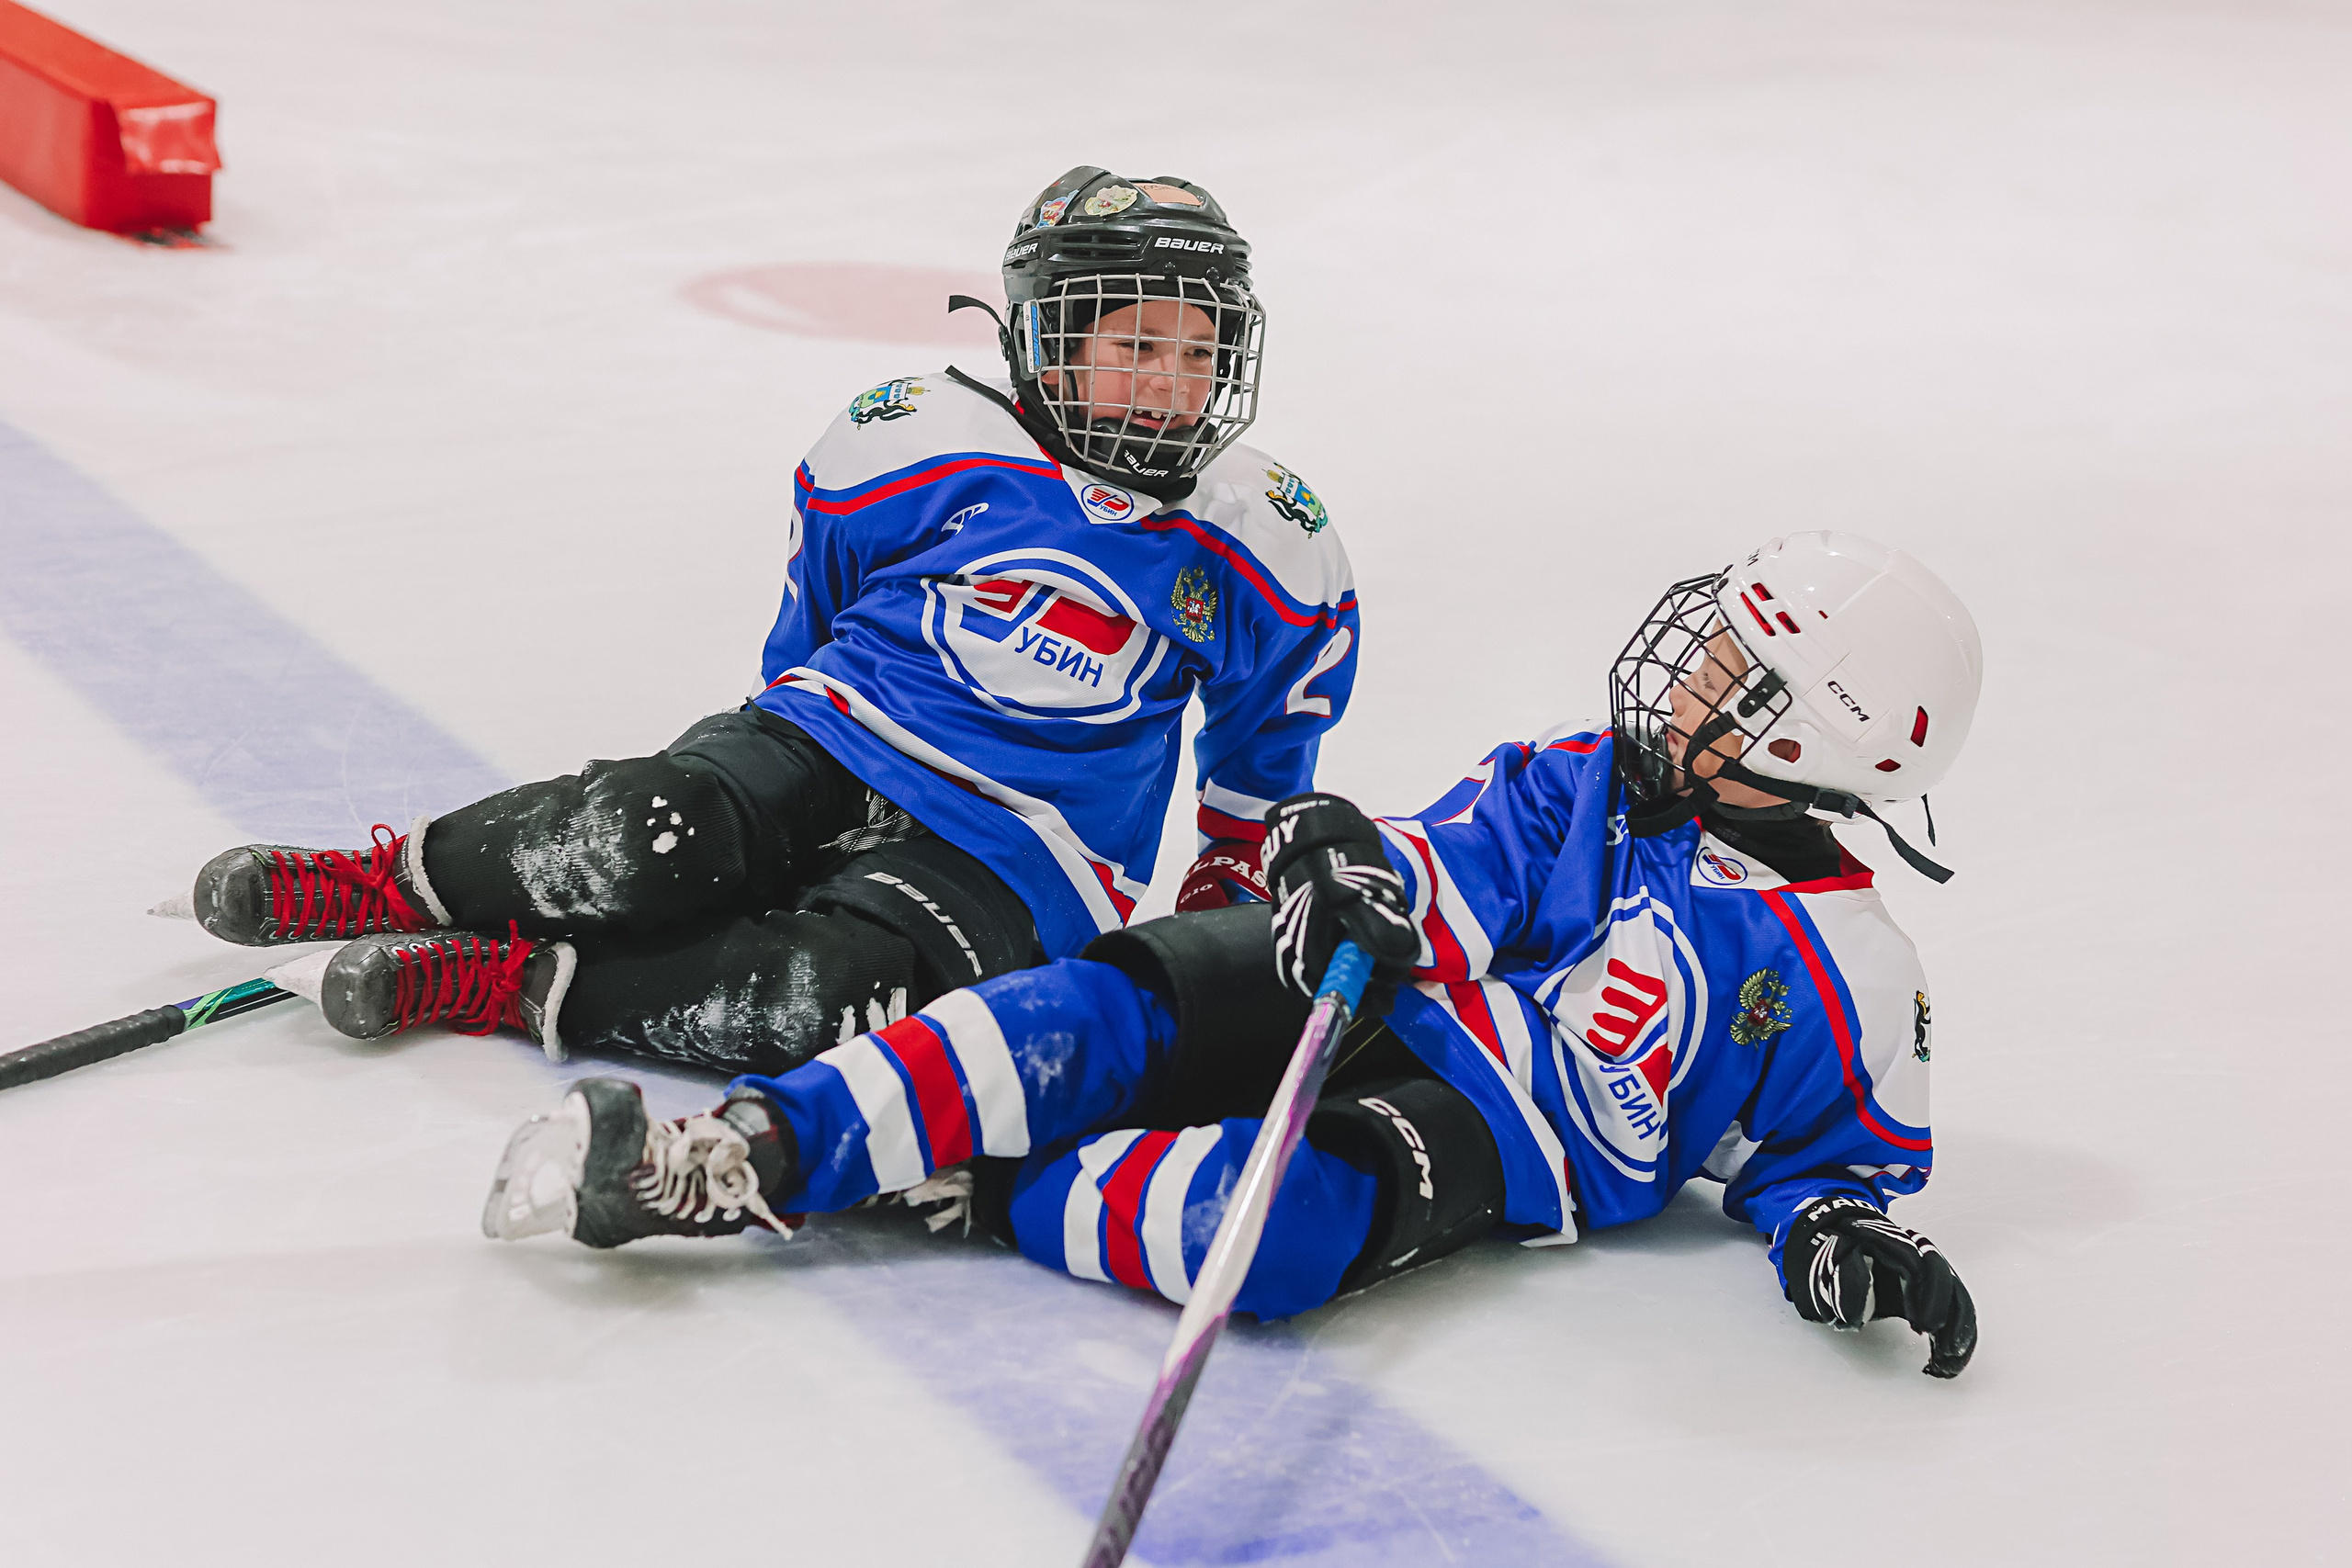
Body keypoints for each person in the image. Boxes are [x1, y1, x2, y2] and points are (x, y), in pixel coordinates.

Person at [480, 531, 1984, 1379]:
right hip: (1371, 980)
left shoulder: (1852, 969)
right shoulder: (1584, 772)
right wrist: (1343, 857)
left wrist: (1836, 1227)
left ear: (1814, 733)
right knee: (1085, 1012)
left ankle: (972, 1184)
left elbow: (1819, 1151)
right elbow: (1448, 865)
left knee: (1272, 1237)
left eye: (1735, 671)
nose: (1686, 670)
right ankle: (742, 1151)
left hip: (1502, 1134)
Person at [183, 166, 1361, 1076]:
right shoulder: (918, 439)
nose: (1172, 381)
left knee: (823, 996)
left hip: (1026, 848)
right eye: (1136, 345)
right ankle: (396, 883)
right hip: (841, 731)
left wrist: (1227, 886)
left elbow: (1264, 751)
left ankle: (504, 982)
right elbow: (815, 619)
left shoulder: (1268, 537)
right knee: (657, 826)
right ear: (1048, 337)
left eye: (1201, 353)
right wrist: (772, 801)